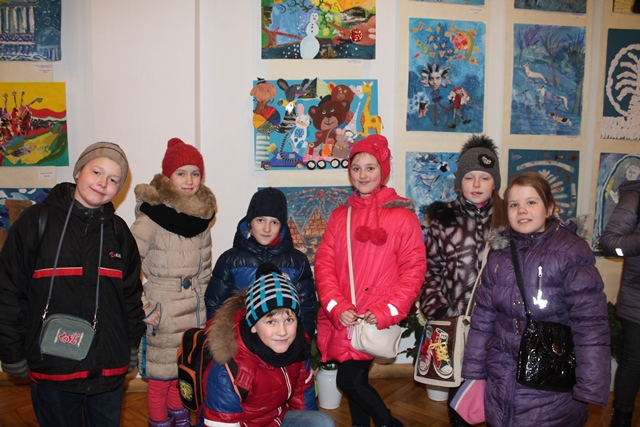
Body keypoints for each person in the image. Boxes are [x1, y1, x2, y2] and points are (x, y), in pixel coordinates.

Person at [0, 142, 145, 427]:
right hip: (53, 368)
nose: (102, 183)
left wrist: (130, 347)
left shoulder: (119, 232)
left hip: (107, 368)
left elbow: (130, 297)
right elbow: (9, 290)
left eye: (113, 179)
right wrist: (11, 350)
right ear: (78, 171)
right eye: (96, 172)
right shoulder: (36, 222)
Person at [462, 172, 611, 427]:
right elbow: (483, 316)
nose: (522, 210)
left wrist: (591, 384)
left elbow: (590, 323)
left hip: (551, 381)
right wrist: (474, 369)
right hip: (502, 376)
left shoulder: (570, 252)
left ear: (549, 208)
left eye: (531, 202)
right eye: (514, 204)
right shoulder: (499, 254)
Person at [314, 134, 426, 427]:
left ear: (383, 170)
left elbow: (413, 270)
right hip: (347, 317)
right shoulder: (340, 217)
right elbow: (324, 266)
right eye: (356, 168)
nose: (363, 175)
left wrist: (387, 311)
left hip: (375, 317)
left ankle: (390, 424)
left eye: (370, 167)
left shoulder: (402, 218)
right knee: (356, 382)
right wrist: (337, 306)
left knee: (349, 380)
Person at [420, 134, 506, 427]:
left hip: (500, 326)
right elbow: (429, 270)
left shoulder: (508, 219)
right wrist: (439, 310)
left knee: (499, 395)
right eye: (470, 177)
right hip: (458, 325)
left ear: (495, 182)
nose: (477, 184)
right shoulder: (444, 220)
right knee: (460, 398)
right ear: (460, 181)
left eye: (485, 177)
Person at [131, 137, 217, 427]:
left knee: (182, 374)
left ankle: (180, 418)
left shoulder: (201, 218)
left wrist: (205, 308)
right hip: (163, 310)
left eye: (195, 173)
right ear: (168, 177)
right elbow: (125, 266)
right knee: (160, 379)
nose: (189, 181)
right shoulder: (150, 218)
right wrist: (144, 308)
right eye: (181, 173)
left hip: (193, 311)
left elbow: (204, 270)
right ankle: (159, 422)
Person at [198, 262, 334, 427]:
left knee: (321, 422)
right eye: (271, 322)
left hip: (276, 420)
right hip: (240, 424)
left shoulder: (298, 346)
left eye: (289, 320)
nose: (282, 331)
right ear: (253, 325)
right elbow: (222, 422)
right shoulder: (230, 367)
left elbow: (303, 398)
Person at [204, 187, 316, 341]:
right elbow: (214, 305)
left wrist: (302, 343)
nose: (266, 228)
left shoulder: (297, 262)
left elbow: (307, 309)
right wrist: (221, 343)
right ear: (250, 222)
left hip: (283, 341)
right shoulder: (230, 260)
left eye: (274, 222)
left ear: (282, 226)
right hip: (240, 344)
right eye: (260, 220)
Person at [599, 178, 640, 427]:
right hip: (637, 301)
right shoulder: (635, 196)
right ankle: (621, 419)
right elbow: (610, 244)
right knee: (634, 360)